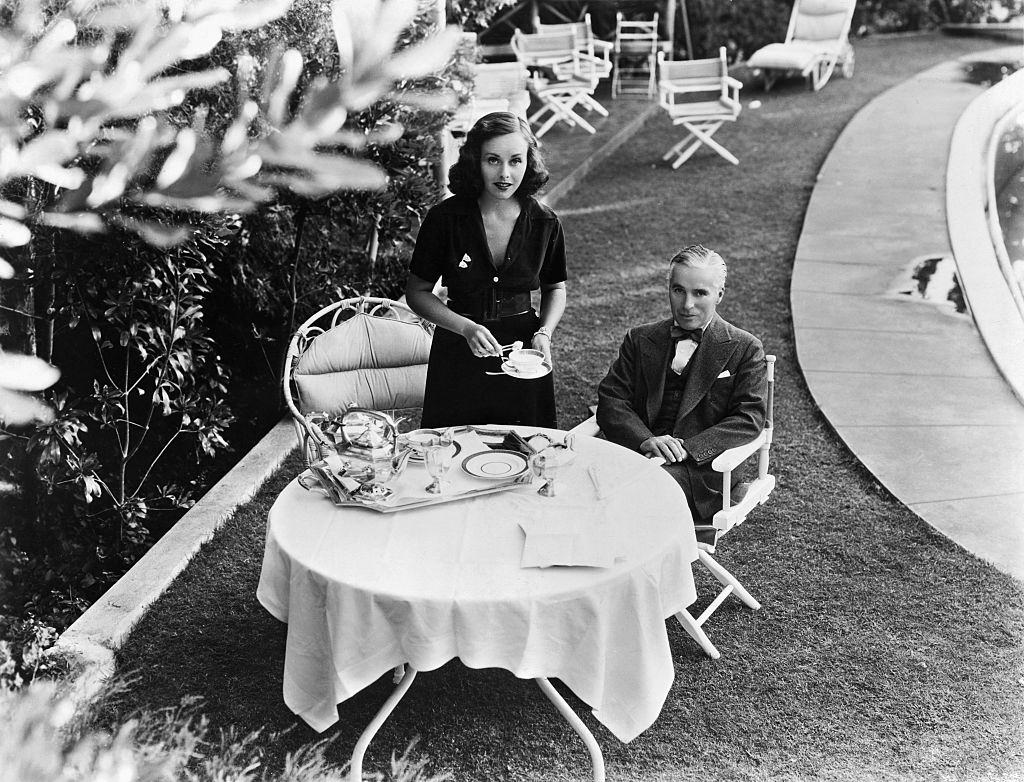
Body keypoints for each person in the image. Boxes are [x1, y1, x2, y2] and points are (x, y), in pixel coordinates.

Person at [405, 112, 567, 428]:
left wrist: (544, 333)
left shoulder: (546, 222)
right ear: (475, 162)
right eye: (493, 160)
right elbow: (417, 292)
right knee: (451, 453)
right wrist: (465, 328)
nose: (505, 173)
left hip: (524, 356)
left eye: (515, 161)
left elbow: (555, 288)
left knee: (527, 451)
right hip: (457, 350)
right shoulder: (444, 219)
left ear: (528, 162)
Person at [596, 245, 768, 525]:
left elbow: (749, 418)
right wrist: (645, 439)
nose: (687, 305)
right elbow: (612, 399)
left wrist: (689, 448)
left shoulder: (745, 348)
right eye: (679, 290)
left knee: (629, 495)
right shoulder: (641, 339)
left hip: (703, 472)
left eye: (700, 293)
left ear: (719, 295)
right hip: (639, 456)